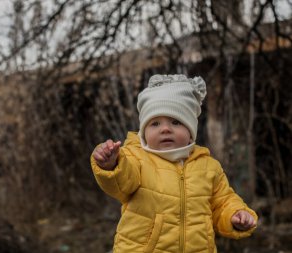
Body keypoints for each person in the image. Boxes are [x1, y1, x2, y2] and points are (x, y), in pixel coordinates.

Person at [90, 74, 257, 253]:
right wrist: (111, 164)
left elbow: (222, 202)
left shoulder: (209, 167)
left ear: (191, 130)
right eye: (155, 123)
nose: (165, 129)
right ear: (144, 131)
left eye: (176, 122)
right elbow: (122, 183)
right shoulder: (134, 158)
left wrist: (236, 214)